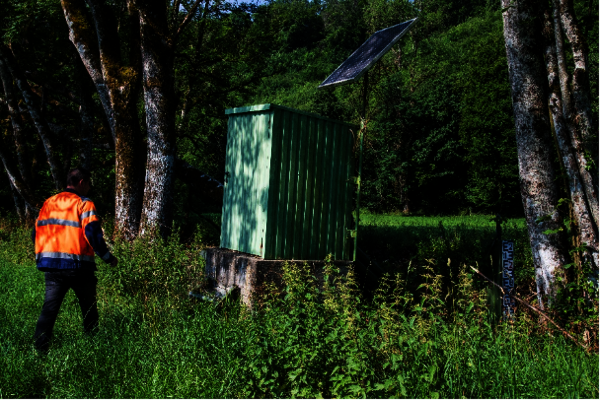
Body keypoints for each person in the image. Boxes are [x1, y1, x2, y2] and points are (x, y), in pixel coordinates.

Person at [32, 167, 118, 352]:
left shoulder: (48, 203)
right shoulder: (84, 203)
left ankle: (40, 352)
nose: (89, 188)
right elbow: (92, 234)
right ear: (81, 182)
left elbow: (35, 233)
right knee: (89, 310)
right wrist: (107, 257)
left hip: (52, 267)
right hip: (78, 266)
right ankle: (92, 350)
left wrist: (41, 255)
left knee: (49, 311)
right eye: (88, 184)